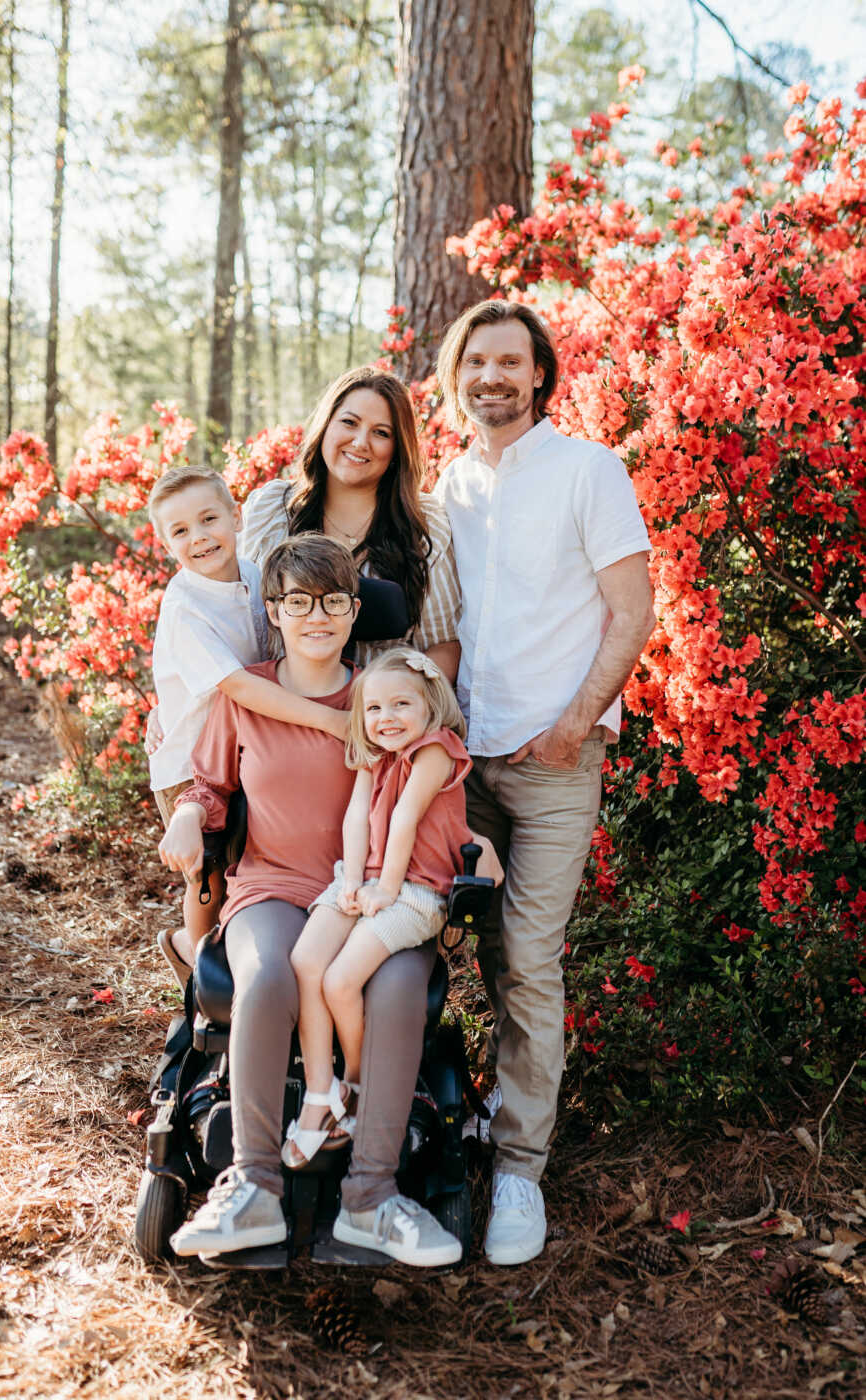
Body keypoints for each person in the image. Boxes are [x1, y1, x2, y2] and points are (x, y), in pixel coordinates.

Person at [161, 534, 464, 1267]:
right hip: (271, 883)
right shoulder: (247, 695)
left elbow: (437, 791)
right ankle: (256, 1184)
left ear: (355, 612)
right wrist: (183, 815)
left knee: (396, 987)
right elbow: (210, 787)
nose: (316, 617)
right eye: (298, 603)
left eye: (332, 602)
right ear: (275, 611)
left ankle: (371, 1195)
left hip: (366, 892)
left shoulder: (386, 698)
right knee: (266, 976)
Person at [433, 300, 656, 1266]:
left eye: (509, 362)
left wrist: (574, 726)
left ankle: (519, 1168)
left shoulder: (587, 470)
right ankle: (469, 1114)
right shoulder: (449, 485)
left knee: (528, 957)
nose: (492, 376)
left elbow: (631, 611)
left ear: (539, 376)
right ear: (457, 378)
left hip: (555, 763)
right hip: (461, 763)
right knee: (455, 947)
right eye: (475, 361)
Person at [282, 646, 503, 1174]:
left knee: (339, 982)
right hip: (367, 877)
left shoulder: (436, 750)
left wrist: (383, 889)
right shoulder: (374, 751)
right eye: (375, 709)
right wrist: (353, 883)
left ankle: (358, 1081)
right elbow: (357, 817)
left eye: (401, 704)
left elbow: (404, 820)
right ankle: (321, 1089)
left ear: (429, 705)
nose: (387, 719)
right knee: (306, 960)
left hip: (415, 888)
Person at [147, 466, 351, 984]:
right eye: (180, 531)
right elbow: (239, 685)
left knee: (245, 854)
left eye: (209, 519)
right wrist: (329, 718)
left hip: (256, 746)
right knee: (208, 869)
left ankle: (226, 949)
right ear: (164, 543)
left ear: (236, 517)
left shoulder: (258, 576)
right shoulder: (184, 607)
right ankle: (199, 965)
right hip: (193, 761)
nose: (199, 537)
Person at [240, 365, 461, 683]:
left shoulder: (425, 524)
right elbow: (240, 624)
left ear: (397, 449)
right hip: (280, 713)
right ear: (325, 425)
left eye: (381, 433)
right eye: (349, 422)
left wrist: (379, 704)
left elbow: (444, 645)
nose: (360, 442)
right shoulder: (270, 510)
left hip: (382, 721)